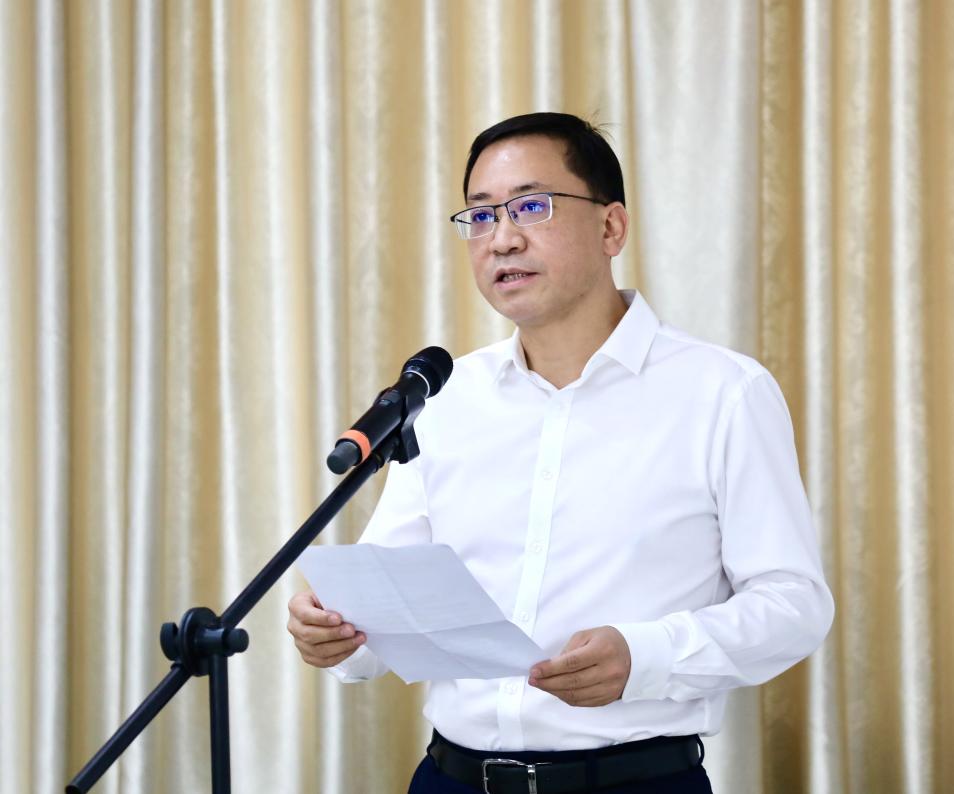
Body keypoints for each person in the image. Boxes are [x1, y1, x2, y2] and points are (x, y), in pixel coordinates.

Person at [288, 112, 834, 793]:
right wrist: (337, 631)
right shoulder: (448, 399)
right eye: (481, 216)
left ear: (611, 228)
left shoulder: (722, 393)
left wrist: (646, 656)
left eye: (531, 206)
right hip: (451, 778)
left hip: (632, 783)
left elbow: (793, 603)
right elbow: (389, 603)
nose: (502, 238)